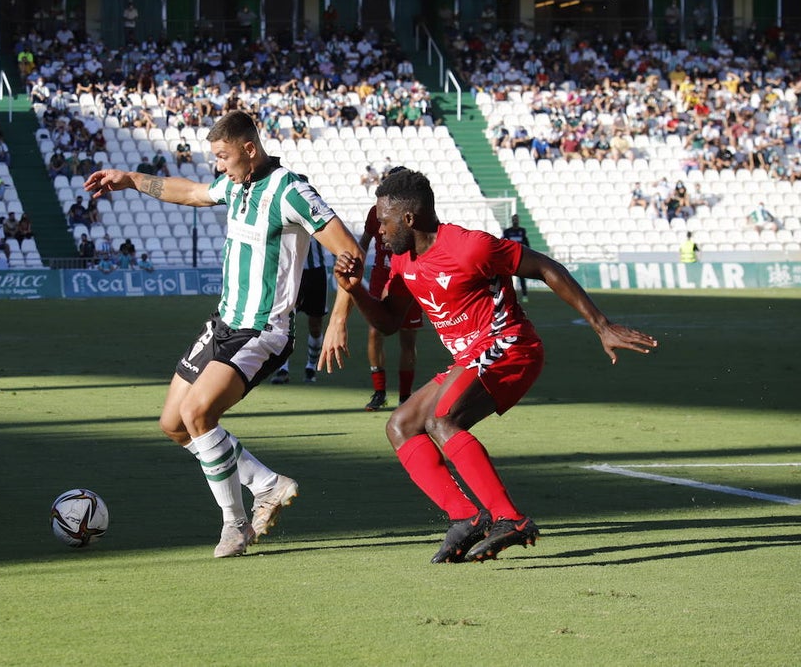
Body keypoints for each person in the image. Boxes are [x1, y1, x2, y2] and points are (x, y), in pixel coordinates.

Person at [320, 169, 657, 563]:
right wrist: (354, 289)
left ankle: (510, 519)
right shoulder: (402, 260)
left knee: (444, 418)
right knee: (400, 425)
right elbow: (389, 324)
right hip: (471, 358)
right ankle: (465, 517)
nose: (379, 229)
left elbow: (546, 267)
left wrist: (601, 325)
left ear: (409, 219)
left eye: (385, 220)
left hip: (512, 345)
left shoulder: (469, 246)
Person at [85, 110, 364, 558]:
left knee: (198, 413)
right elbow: (192, 192)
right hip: (222, 324)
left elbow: (349, 250)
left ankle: (234, 524)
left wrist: (337, 318)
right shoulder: (237, 184)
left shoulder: (290, 191)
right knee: (175, 425)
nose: (218, 166)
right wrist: (130, 178)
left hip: (263, 330)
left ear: (249, 149)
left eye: (223, 156)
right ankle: (268, 484)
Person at [358, 176, 423, 411]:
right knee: (375, 332)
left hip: (408, 280)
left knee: (408, 338)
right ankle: (379, 392)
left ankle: (405, 397)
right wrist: (356, 259)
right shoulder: (375, 213)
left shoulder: (412, 213)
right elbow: (364, 241)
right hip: (380, 278)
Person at [270, 175, 328, 385]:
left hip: (315, 273)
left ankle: (310, 367)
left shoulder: (317, 208)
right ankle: (283, 369)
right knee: (284, 321)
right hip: (291, 272)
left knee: (315, 325)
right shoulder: (283, 207)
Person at [501, 213, 531, 300]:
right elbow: (503, 242)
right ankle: (506, 296)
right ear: (512, 220)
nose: (515, 221)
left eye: (516, 219)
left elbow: (526, 242)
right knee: (507, 278)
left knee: (522, 277)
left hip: (520, 257)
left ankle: (525, 295)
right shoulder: (507, 231)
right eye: (514, 219)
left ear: (518, 220)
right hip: (509, 258)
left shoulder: (522, 230)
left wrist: (529, 253)